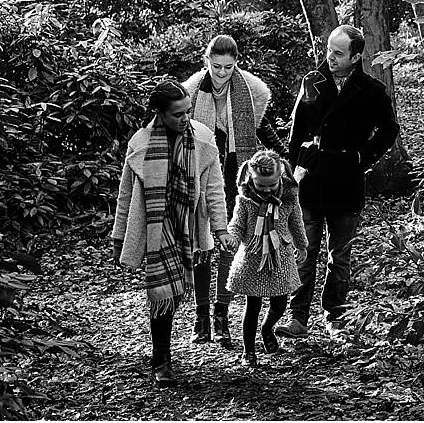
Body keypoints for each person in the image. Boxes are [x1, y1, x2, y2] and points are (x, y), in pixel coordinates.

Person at [276, 24, 400, 338]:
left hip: (347, 179)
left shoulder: (371, 90)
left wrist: (364, 157)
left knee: (339, 257)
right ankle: (298, 318)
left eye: (338, 53)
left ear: (356, 56)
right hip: (312, 178)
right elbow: (297, 132)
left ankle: (335, 317)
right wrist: (292, 174)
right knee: (304, 251)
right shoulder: (313, 82)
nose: (330, 57)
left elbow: (389, 130)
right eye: (329, 50)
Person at [111, 79, 234, 387]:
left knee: (176, 291)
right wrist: (119, 236)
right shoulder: (140, 143)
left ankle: (168, 348)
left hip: (190, 227)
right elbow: (126, 194)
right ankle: (161, 359)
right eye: (177, 114)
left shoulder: (203, 140)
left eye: (187, 112)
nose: (184, 119)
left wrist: (220, 228)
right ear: (160, 113)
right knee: (161, 292)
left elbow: (216, 189)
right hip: (156, 228)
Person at [182, 34, 285, 349]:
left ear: (236, 64)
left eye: (228, 67)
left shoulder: (250, 92)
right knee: (202, 241)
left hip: (235, 171)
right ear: (206, 62)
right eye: (216, 67)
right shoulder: (190, 92)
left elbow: (261, 129)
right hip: (201, 172)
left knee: (228, 242)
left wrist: (287, 160)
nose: (222, 73)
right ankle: (201, 314)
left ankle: (221, 312)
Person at [225, 150, 308, 367]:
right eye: (261, 186)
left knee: (280, 303)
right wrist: (231, 237)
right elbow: (237, 224)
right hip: (253, 258)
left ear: (280, 176)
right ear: (250, 179)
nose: (267, 189)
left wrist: (302, 244)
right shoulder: (245, 200)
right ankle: (248, 351)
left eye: (272, 185)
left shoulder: (289, 199)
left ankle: (267, 327)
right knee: (252, 305)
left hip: (280, 257)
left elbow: (296, 222)